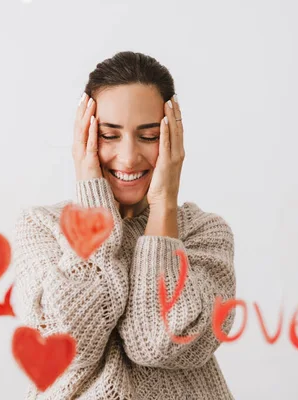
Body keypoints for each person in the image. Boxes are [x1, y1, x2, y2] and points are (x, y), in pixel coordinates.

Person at [12, 51, 237, 399]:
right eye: (109, 135)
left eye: (148, 136)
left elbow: (159, 342)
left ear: (172, 139)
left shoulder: (203, 234)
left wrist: (164, 207)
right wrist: (93, 214)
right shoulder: (42, 227)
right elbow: (66, 345)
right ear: (84, 136)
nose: (129, 157)